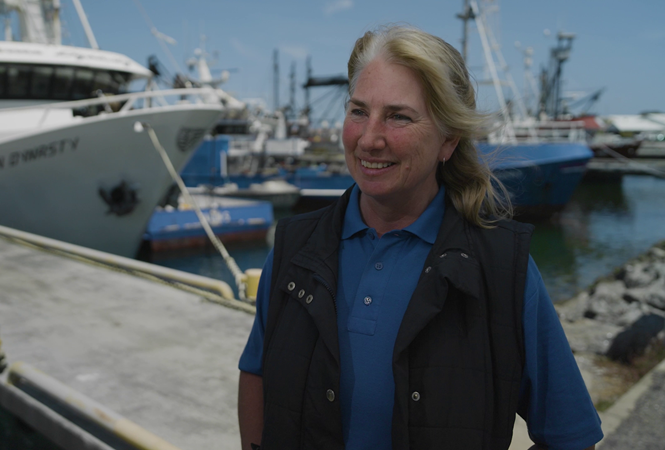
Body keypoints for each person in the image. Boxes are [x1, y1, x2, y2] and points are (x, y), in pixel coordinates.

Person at [237, 25, 603, 450]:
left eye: (399, 116)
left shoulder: (503, 268)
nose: (370, 139)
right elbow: (257, 370)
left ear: (448, 139)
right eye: (358, 111)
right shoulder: (295, 246)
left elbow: (570, 435)